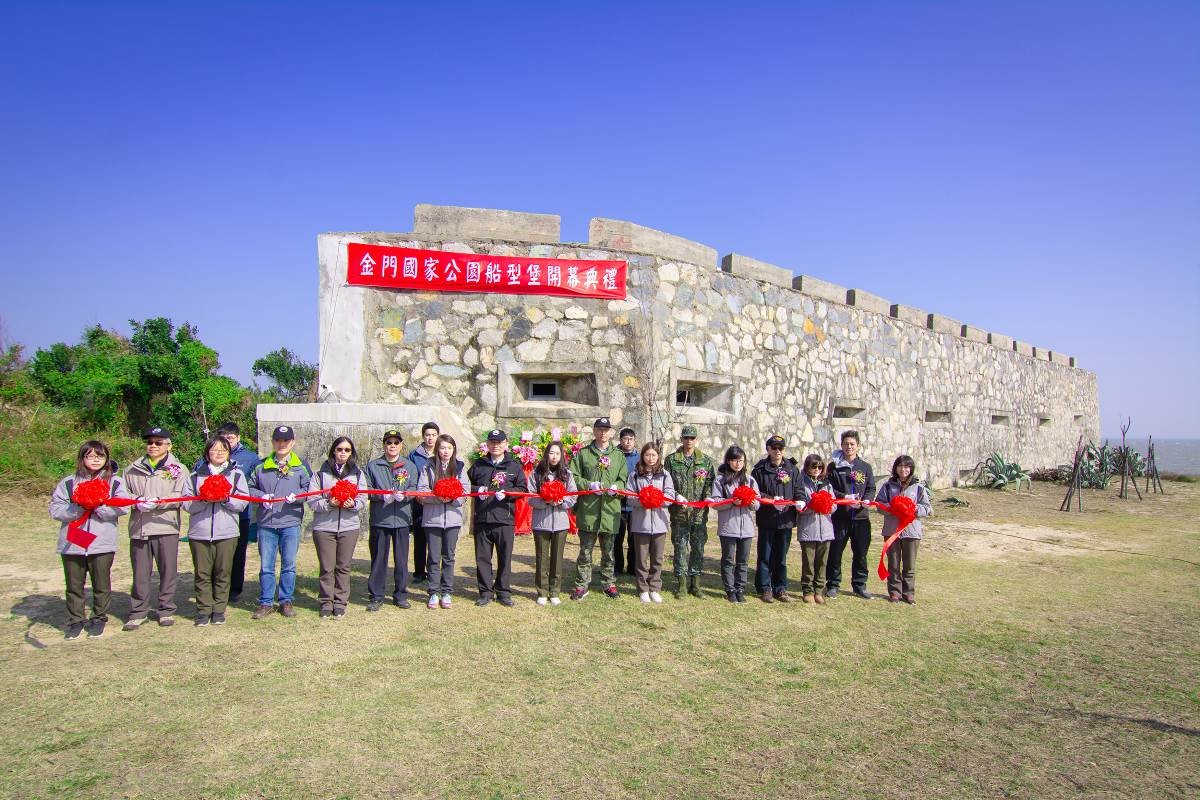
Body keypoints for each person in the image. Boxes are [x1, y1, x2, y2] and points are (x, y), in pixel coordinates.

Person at [49, 440, 131, 639]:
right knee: (74, 584)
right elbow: (55, 509)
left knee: (101, 583)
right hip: (73, 543)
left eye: (100, 456)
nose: (95, 460)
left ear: (106, 459)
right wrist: (79, 508)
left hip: (101, 542)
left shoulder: (115, 482)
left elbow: (124, 506)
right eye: (90, 456)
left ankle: (99, 617)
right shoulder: (68, 483)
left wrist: (100, 507)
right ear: (82, 458)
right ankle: (76, 619)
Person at [121, 426, 189, 630]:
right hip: (140, 527)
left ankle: (166, 609)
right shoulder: (132, 469)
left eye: (158, 443)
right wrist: (137, 501)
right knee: (140, 572)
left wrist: (160, 502)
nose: (153, 446)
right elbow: (122, 495)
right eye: (150, 442)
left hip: (166, 525)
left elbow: (182, 495)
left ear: (168, 445)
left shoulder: (178, 468)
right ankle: (138, 611)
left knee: (168, 570)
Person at [247, 425, 312, 620]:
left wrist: (298, 496)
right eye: (278, 440)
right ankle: (266, 602)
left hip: (290, 522)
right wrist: (261, 496)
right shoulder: (260, 466)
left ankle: (286, 600)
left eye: (286, 441)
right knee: (266, 565)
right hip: (267, 523)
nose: (281, 444)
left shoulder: (301, 466)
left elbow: (310, 489)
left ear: (293, 442)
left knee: (289, 564)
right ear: (273, 442)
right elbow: (248, 489)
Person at [186, 436, 250, 626]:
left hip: (227, 532)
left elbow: (243, 502)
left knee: (223, 572)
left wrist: (225, 499)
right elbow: (185, 503)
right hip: (200, 532)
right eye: (214, 450)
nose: (219, 453)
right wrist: (203, 499)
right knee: (202, 573)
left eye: (223, 450)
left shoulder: (237, 475)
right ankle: (204, 610)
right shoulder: (195, 476)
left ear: (229, 453)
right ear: (207, 453)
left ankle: (219, 609)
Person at [193, 422, 260, 604]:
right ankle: (214, 591)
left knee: (237, 554)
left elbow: (255, 482)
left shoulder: (251, 458)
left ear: (238, 438)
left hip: (239, 514)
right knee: (213, 557)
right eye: (224, 437)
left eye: (231, 438)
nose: (227, 442)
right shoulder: (206, 460)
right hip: (207, 516)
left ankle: (234, 590)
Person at [568, 417, 629, 600]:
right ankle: (581, 585)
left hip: (610, 511)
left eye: (606, 429)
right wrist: (588, 484)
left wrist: (617, 487)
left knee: (609, 553)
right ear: (594, 431)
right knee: (585, 552)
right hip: (589, 511)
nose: (603, 433)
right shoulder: (583, 454)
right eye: (599, 429)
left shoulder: (618, 456)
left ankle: (608, 583)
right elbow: (573, 477)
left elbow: (624, 479)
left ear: (611, 432)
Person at [307, 437, 368, 618]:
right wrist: (329, 503)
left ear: (351, 453)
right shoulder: (320, 474)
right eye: (339, 449)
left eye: (347, 450)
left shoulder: (358, 474)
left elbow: (363, 498)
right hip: (324, 527)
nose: (343, 453)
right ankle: (326, 602)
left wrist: (353, 504)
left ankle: (340, 602)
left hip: (349, 527)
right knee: (327, 567)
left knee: (343, 566)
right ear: (333, 451)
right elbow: (312, 500)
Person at [466, 430, 527, 606]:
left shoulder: (514, 466)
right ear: (488, 444)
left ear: (506, 444)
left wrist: (508, 494)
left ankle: (503, 592)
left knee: (505, 557)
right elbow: (466, 485)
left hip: (504, 519)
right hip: (483, 519)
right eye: (492, 442)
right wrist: (477, 490)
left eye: (499, 442)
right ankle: (485, 592)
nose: (496, 445)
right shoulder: (479, 464)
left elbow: (522, 489)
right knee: (483, 558)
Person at [364, 429, 418, 611]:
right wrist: (381, 497)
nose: (392, 446)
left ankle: (400, 595)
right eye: (389, 443)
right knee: (379, 559)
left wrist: (407, 496)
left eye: (396, 443)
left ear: (401, 445)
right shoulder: (373, 466)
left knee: (401, 561)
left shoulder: (409, 466)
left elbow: (414, 487)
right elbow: (366, 489)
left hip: (402, 519)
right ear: (384, 445)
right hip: (380, 520)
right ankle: (376, 596)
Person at [415, 434, 470, 609]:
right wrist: (439, 498)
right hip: (433, 519)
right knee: (433, 557)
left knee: (449, 557)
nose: (446, 451)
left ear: (453, 450)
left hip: (452, 519)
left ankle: (446, 591)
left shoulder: (460, 467)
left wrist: (452, 499)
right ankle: (433, 592)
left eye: (449, 448)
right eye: (442, 448)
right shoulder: (428, 466)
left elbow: (465, 492)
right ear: (437, 449)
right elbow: (421, 492)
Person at [872, 455, 932, 604]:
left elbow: (927, 508)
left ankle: (909, 592)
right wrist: (893, 508)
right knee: (893, 563)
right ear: (896, 468)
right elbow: (879, 505)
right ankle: (894, 592)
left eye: (906, 467)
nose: (903, 469)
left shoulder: (918, 487)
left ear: (911, 469)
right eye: (900, 466)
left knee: (909, 564)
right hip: (892, 531)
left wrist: (912, 509)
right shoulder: (888, 486)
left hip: (911, 531)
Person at [664, 424, 715, 599]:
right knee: (680, 548)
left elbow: (709, 484)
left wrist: (708, 497)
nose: (689, 441)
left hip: (699, 515)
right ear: (681, 439)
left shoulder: (705, 461)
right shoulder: (671, 460)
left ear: (696, 440)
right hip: (679, 513)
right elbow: (668, 485)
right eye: (686, 438)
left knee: (698, 548)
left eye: (692, 438)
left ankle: (696, 584)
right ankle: (682, 585)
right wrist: (677, 496)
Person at [751, 435, 803, 603]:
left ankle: (780, 588)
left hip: (786, 518)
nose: (778, 451)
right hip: (767, 517)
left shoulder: (792, 469)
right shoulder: (759, 469)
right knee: (765, 555)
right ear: (768, 449)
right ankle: (765, 588)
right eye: (774, 448)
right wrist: (772, 501)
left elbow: (798, 489)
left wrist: (800, 501)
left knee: (781, 557)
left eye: (781, 448)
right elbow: (755, 492)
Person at [825, 430, 877, 600]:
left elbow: (871, 488)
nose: (849, 447)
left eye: (852, 444)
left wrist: (867, 500)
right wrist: (844, 497)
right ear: (841, 445)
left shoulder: (865, 467)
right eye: (846, 444)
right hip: (840, 518)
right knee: (835, 552)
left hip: (861, 518)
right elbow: (829, 489)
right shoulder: (834, 466)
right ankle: (832, 584)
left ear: (858, 446)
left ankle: (859, 585)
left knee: (861, 553)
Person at [527, 441, 578, 605]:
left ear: (561, 455)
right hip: (541, 522)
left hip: (561, 523)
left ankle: (554, 591)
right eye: (551, 453)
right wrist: (546, 501)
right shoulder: (537, 473)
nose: (554, 456)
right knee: (542, 558)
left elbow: (573, 495)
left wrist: (562, 502)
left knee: (557, 559)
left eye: (557, 453)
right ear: (546, 454)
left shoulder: (567, 474)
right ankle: (542, 591)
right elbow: (531, 496)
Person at [709, 445, 759, 603]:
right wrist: (732, 502)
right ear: (728, 461)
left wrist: (750, 502)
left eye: (741, 460)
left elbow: (757, 504)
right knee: (728, 559)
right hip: (728, 527)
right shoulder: (720, 481)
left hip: (747, 528)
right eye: (735, 460)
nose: (738, 464)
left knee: (743, 561)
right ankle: (730, 589)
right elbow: (716, 503)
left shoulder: (750, 480)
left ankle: (740, 589)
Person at [627, 442, 676, 603]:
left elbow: (670, 496)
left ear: (658, 456)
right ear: (643, 456)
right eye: (647, 455)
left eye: (653, 455)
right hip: (641, 523)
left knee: (657, 558)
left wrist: (656, 500)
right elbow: (630, 497)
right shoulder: (635, 474)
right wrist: (644, 500)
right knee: (641, 559)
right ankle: (642, 589)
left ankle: (654, 587)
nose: (650, 458)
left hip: (660, 523)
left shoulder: (665, 474)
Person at [795, 454, 834, 604]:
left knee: (822, 562)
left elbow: (834, 504)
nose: (817, 469)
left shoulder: (827, 484)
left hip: (826, 529)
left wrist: (826, 506)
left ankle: (819, 590)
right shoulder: (801, 483)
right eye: (813, 466)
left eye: (819, 467)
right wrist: (813, 506)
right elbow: (800, 506)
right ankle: (808, 590)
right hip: (808, 529)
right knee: (809, 562)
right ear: (807, 467)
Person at [407, 421, 440, 584]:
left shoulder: (443, 452)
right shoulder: (414, 455)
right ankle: (419, 572)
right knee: (420, 538)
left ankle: (434, 570)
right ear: (423, 436)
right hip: (419, 502)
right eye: (427, 435)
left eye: (434, 435)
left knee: (435, 539)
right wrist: (417, 495)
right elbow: (410, 475)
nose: (430, 438)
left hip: (438, 503)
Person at [612, 426, 639, 575]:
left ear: (634, 441)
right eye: (625, 439)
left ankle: (633, 567)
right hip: (618, 504)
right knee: (617, 537)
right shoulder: (614, 455)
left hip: (635, 506)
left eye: (631, 439)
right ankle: (617, 567)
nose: (628, 442)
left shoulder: (640, 457)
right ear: (620, 440)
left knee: (634, 538)